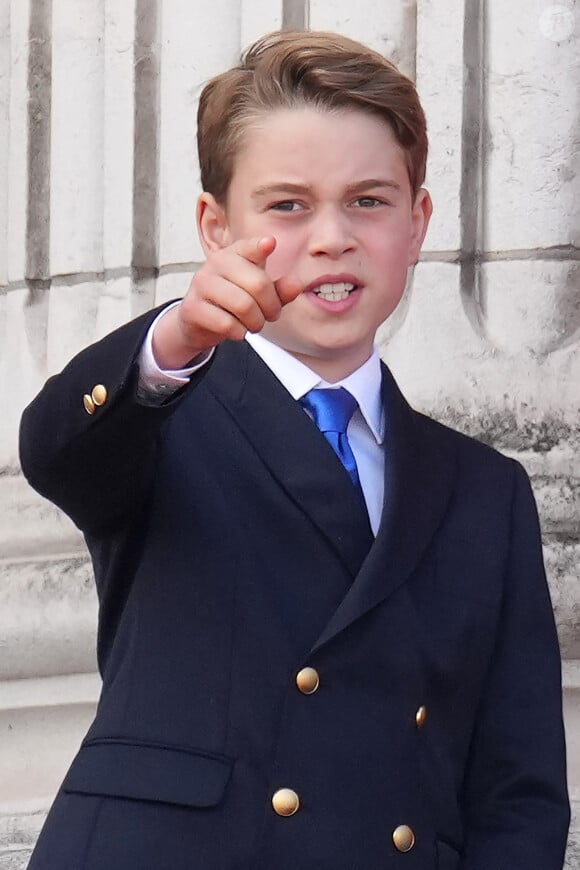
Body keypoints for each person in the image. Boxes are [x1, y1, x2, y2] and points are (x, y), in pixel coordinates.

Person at [19, 29, 569, 870]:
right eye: (287, 205)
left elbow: (517, 792)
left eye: (370, 201)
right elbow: (57, 452)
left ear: (418, 223)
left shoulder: (483, 491)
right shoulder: (160, 407)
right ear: (215, 226)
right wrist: (174, 339)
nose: (332, 237)